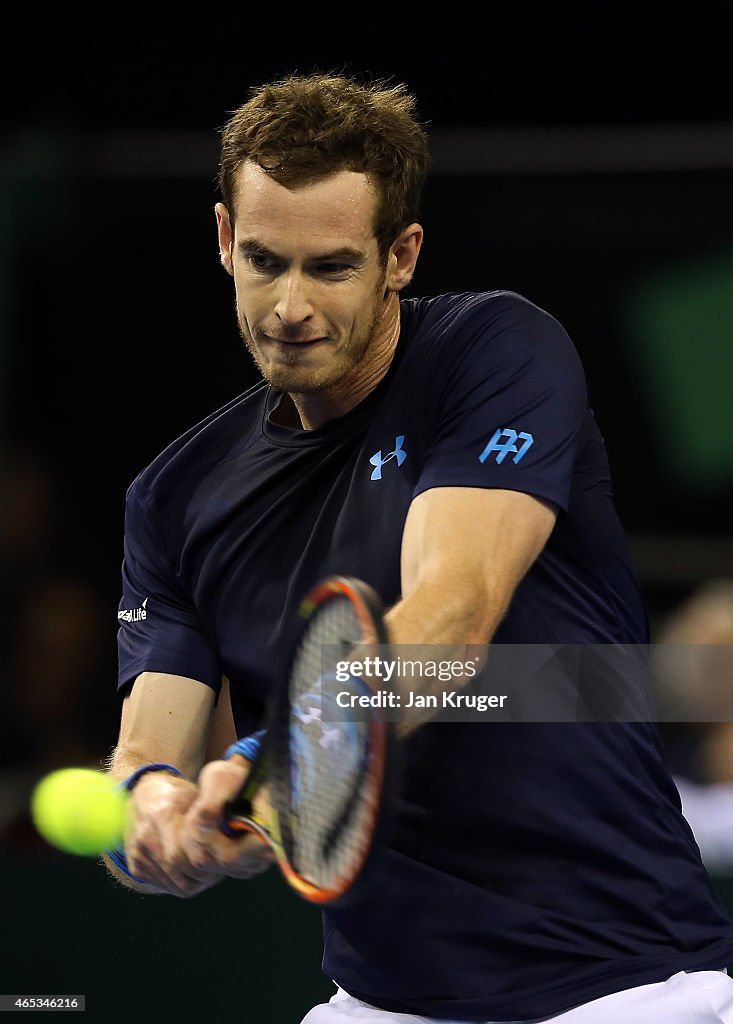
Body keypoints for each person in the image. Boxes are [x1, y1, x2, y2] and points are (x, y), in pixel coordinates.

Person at [108, 72, 733, 1023]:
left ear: (399, 256)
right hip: (377, 998)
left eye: (330, 267)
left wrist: (275, 758)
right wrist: (156, 819)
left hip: (626, 987)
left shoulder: (496, 352)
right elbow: (145, 752)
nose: (288, 308)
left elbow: (449, 624)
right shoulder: (172, 495)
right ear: (226, 239)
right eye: (266, 261)